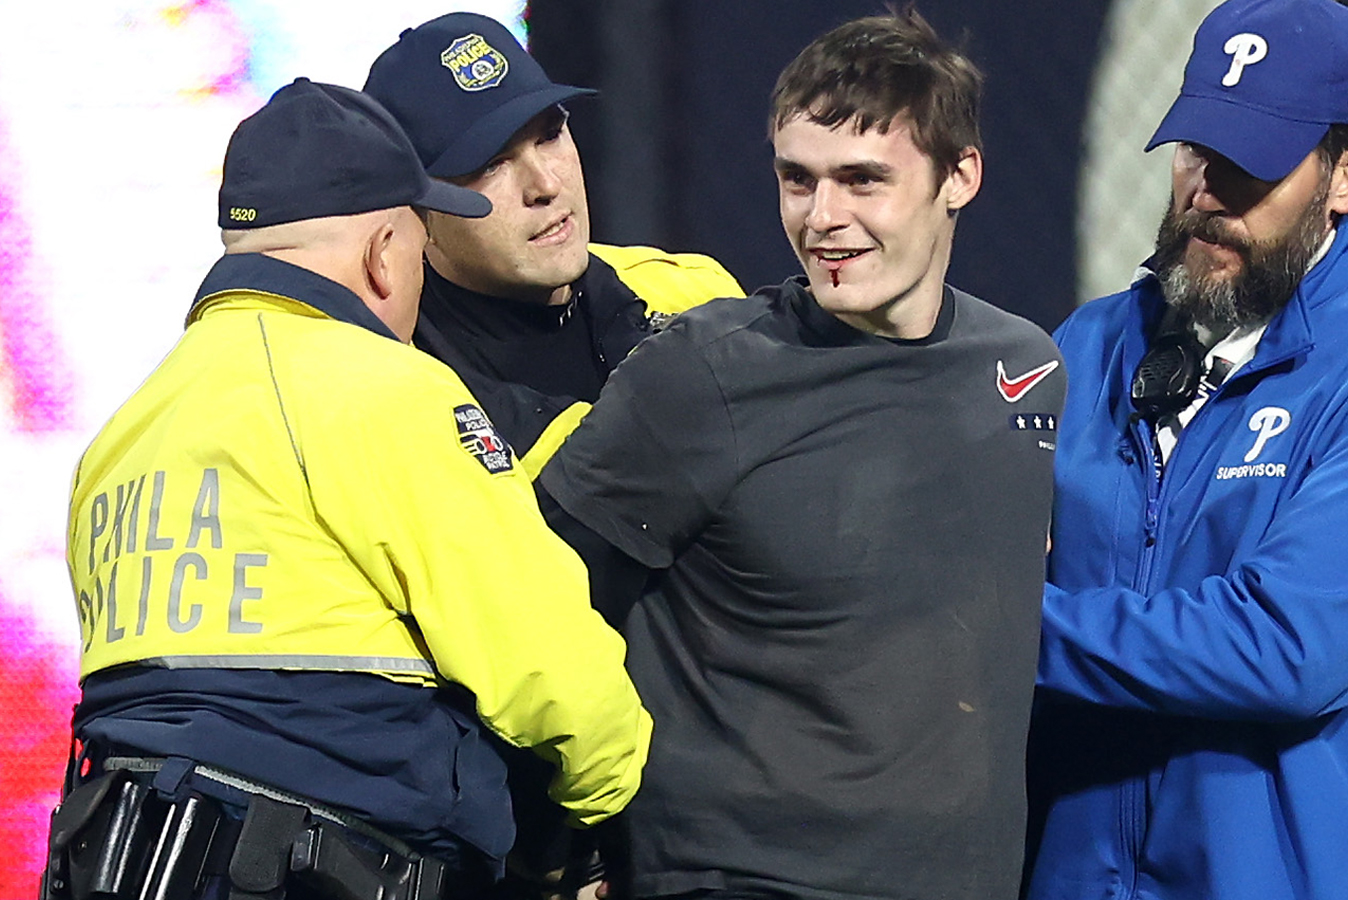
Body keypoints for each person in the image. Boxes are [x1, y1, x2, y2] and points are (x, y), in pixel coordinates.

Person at [49, 79, 650, 899]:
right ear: (382, 253)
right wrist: (617, 820)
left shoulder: (120, 437)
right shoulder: (386, 389)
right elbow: (548, 665)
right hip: (312, 871)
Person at [533, 10, 1064, 900]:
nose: (824, 218)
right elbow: (536, 605)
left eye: (863, 180)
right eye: (797, 179)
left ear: (959, 176)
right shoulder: (702, 375)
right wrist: (568, 847)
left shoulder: (1025, 367)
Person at [1023, 1, 1348, 899]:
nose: (1209, 190)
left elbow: (1284, 649)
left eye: (1254, 162)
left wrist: (995, 622)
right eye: (1197, 149)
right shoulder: (1088, 350)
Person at [362, 12, 743, 470]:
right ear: (415, 210)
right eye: (490, 164)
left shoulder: (694, 294)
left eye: (550, 135)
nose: (545, 184)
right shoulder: (391, 389)